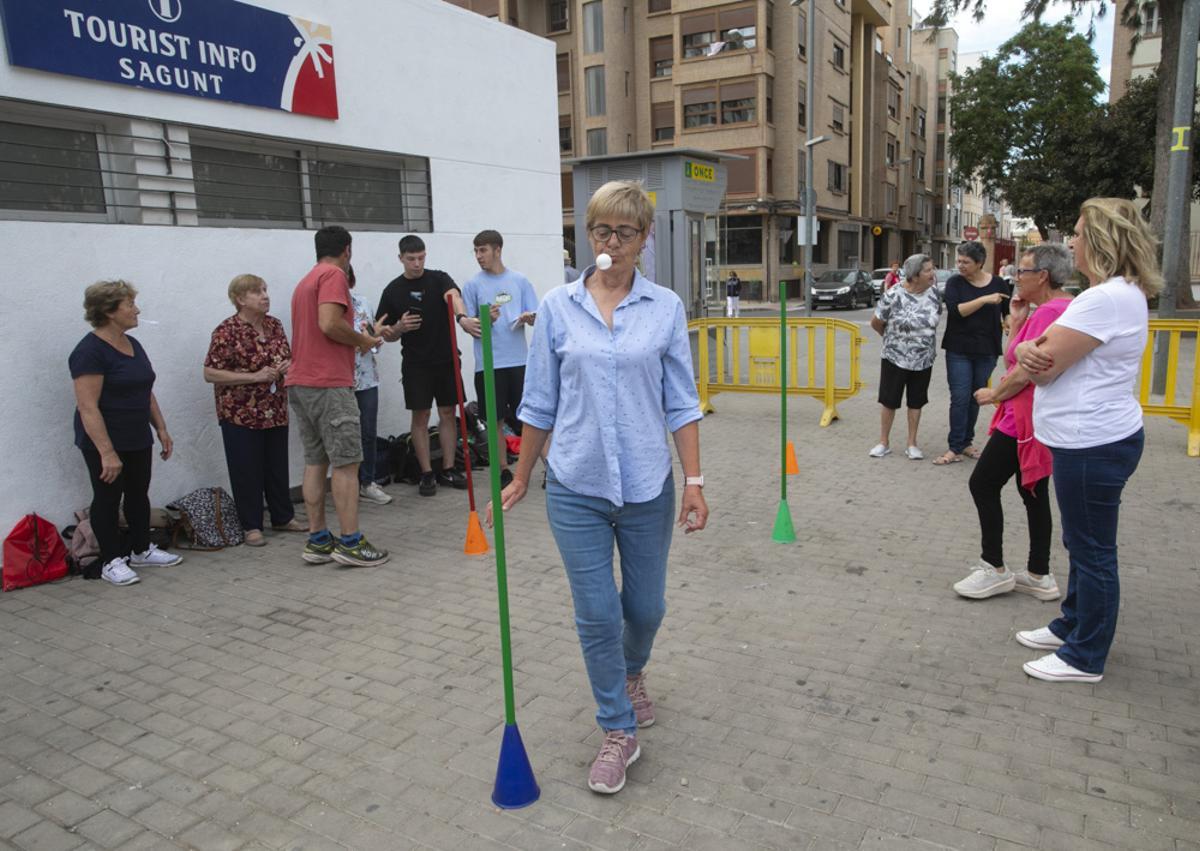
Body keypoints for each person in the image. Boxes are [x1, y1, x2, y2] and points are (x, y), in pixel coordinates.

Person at [492, 181, 709, 796]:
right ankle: (617, 729)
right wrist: (521, 473)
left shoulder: (664, 307)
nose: (612, 242)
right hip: (576, 485)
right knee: (596, 613)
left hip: (646, 485)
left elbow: (682, 403)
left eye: (626, 232)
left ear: (645, 239)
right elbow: (539, 403)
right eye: (601, 231)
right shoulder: (559, 308)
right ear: (588, 236)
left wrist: (693, 481)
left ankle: (633, 670)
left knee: (645, 609)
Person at [1014, 198, 1159, 683]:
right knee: (1082, 544)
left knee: (1092, 550)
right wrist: (1033, 347)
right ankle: (1073, 624)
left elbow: (1044, 367)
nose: (1070, 241)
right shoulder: (1116, 294)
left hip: (1090, 442)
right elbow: (1038, 354)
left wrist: (1032, 348)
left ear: (1098, 241)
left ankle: (1084, 656)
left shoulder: (1103, 299)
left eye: (1077, 233)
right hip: (1095, 437)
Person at [952, 244, 1074, 601]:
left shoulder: (1050, 312)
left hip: (1023, 419)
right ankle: (1039, 574)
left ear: (1043, 276)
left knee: (983, 483)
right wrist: (1018, 322)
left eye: (1021, 271)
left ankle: (994, 568)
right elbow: (1016, 356)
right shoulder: (1059, 308)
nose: (1014, 277)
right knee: (1032, 491)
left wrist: (995, 395)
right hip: (1037, 416)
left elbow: (1023, 371)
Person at [286, 226, 391, 567]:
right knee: (347, 463)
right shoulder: (333, 275)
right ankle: (350, 542)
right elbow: (329, 323)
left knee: (316, 462)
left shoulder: (307, 280)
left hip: (301, 382)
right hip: (328, 383)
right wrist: (363, 341)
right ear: (347, 249)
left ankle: (318, 540)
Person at [70, 280, 182, 586]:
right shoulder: (89, 352)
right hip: (104, 440)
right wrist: (107, 452)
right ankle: (110, 560)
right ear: (108, 311)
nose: (137, 310)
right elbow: (87, 407)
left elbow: (146, 391)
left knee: (137, 493)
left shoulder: (134, 344)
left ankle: (140, 550)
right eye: (130, 305)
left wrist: (161, 428)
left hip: (136, 435)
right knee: (107, 498)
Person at [203, 274, 305, 547]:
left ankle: (283, 516)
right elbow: (210, 373)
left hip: (274, 408)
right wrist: (254, 377)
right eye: (257, 292)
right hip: (241, 413)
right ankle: (251, 525)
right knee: (246, 469)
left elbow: (287, 356)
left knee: (276, 465)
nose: (265, 296)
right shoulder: (227, 331)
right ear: (239, 299)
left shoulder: (274, 325)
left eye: (265, 290)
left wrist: (285, 367)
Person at [376, 235, 471, 497]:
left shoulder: (439, 278)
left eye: (421, 257)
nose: (417, 264)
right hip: (416, 364)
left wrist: (461, 317)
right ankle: (426, 473)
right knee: (421, 416)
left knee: (448, 412)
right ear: (401, 259)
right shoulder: (392, 291)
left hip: (446, 359)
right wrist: (398, 327)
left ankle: (449, 468)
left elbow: (454, 296)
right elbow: (382, 331)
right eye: (411, 259)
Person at [460, 230, 539, 489]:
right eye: (475, 251)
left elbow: (537, 315)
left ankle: (552, 469)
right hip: (489, 364)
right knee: (494, 420)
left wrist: (529, 317)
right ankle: (503, 470)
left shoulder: (519, 280)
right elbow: (469, 324)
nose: (479, 256)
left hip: (518, 361)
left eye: (483, 250)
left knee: (531, 417)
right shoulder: (472, 285)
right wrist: (486, 319)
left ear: (497, 250)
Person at [934, 240, 1011, 465]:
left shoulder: (998, 283)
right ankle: (954, 446)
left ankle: (966, 442)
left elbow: (1007, 311)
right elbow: (957, 312)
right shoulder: (955, 283)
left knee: (975, 398)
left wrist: (1008, 323)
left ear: (979, 263)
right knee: (959, 397)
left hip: (987, 349)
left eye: (965, 262)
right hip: (959, 349)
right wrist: (985, 299)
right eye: (959, 260)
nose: (960, 265)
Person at [868, 254, 943, 460]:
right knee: (889, 401)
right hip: (895, 357)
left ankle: (912, 443)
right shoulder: (893, 294)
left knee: (916, 402)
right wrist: (892, 340)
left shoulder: (935, 294)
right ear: (914, 276)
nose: (932, 273)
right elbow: (876, 322)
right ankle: (884, 442)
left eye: (932, 268)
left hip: (923, 359)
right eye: (928, 270)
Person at [347, 265, 392, 506]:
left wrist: (375, 336)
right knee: (345, 434)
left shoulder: (362, 303)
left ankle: (368, 482)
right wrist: (363, 343)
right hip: (340, 379)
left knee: (368, 431)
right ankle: (347, 484)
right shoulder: (327, 309)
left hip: (366, 377)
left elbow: (374, 342)